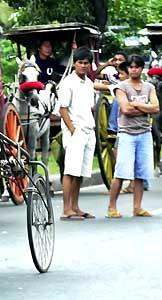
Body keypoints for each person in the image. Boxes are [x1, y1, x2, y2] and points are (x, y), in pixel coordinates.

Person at [106, 55, 159, 218]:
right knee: (121, 172)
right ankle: (112, 207)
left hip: (144, 133)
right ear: (128, 69)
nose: (134, 70)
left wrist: (136, 104)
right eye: (131, 67)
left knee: (141, 173)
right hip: (127, 133)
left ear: (142, 69)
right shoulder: (121, 87)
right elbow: (126, 109)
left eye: (137, 67)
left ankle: (137, 207)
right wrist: (145, 108)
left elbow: (156, 107)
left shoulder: (149, 87)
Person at [58, 47, 96, 220]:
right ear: (74, 64)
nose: (82, 66)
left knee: (80, 172)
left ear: (89, 65)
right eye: (80, 63)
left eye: (85, 63)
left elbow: (90, 107)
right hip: (76, 130)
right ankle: (66, 209)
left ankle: (75, 206)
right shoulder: (67, 83)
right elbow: (63, 108)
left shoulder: (89, 83)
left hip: (89, 129)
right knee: (71, 170)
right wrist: (72, 129)